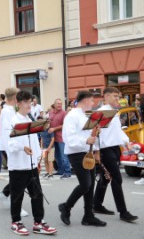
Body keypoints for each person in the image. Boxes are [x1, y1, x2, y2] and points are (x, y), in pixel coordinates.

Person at [8, 91, 57, 236]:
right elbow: (8, 143)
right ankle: (15, 222)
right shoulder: (13, 120)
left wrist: (37, 158)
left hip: (31, 165)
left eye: (30, 102)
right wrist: (22, 148)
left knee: (37, 194)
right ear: (19, 103)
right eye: (27, 102)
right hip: (18, 165)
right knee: (17, 196)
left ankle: (38, 222)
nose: (30, 105)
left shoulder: (29, 119)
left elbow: (35, 141)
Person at [59, 91, 106, 227]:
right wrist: (87, 139)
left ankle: (88, 216)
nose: (93, 104)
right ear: (85, 100)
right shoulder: (71, 116)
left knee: (90, 186)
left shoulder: (85, 116)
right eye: (92, 101)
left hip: (86, 152)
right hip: (76, 153)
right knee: (86, 184)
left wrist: (95, 133)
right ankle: (66, 206)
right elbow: (70, 138)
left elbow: (88, 135)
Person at [93, 87, 138, 222]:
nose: (118, 99)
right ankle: (123, 212)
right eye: (114, 96)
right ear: (106, 97)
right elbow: (94, 132)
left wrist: (126, 142)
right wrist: (96, 150)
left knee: (105, 178)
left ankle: (97, 204)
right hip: (106, 150)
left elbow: (117, 131)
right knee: (117, 179)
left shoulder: (115, 112)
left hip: (114, 149)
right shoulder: (102, 113)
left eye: (118, 96)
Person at [0, 87, 28, 217]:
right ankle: (15, 205)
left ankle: (4, 194)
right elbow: (12, 132)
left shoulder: (8, 110)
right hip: (10, 147)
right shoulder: (9, 112)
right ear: (15, 98)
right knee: (18, 177)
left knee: (19, 177)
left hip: (10, 147)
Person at [48, 99, 71, 179]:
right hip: (53, 138)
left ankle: (67, 172)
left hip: (61, 137)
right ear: (54, 105)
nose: (59, 105)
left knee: (63, 156)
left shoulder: (64, 113)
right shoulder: (50, 112)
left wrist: (54, 129)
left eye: (61, 104)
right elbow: (49, 122)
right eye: (58, 104)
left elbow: (65, 125)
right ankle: (61, 170)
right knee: (57, 156)